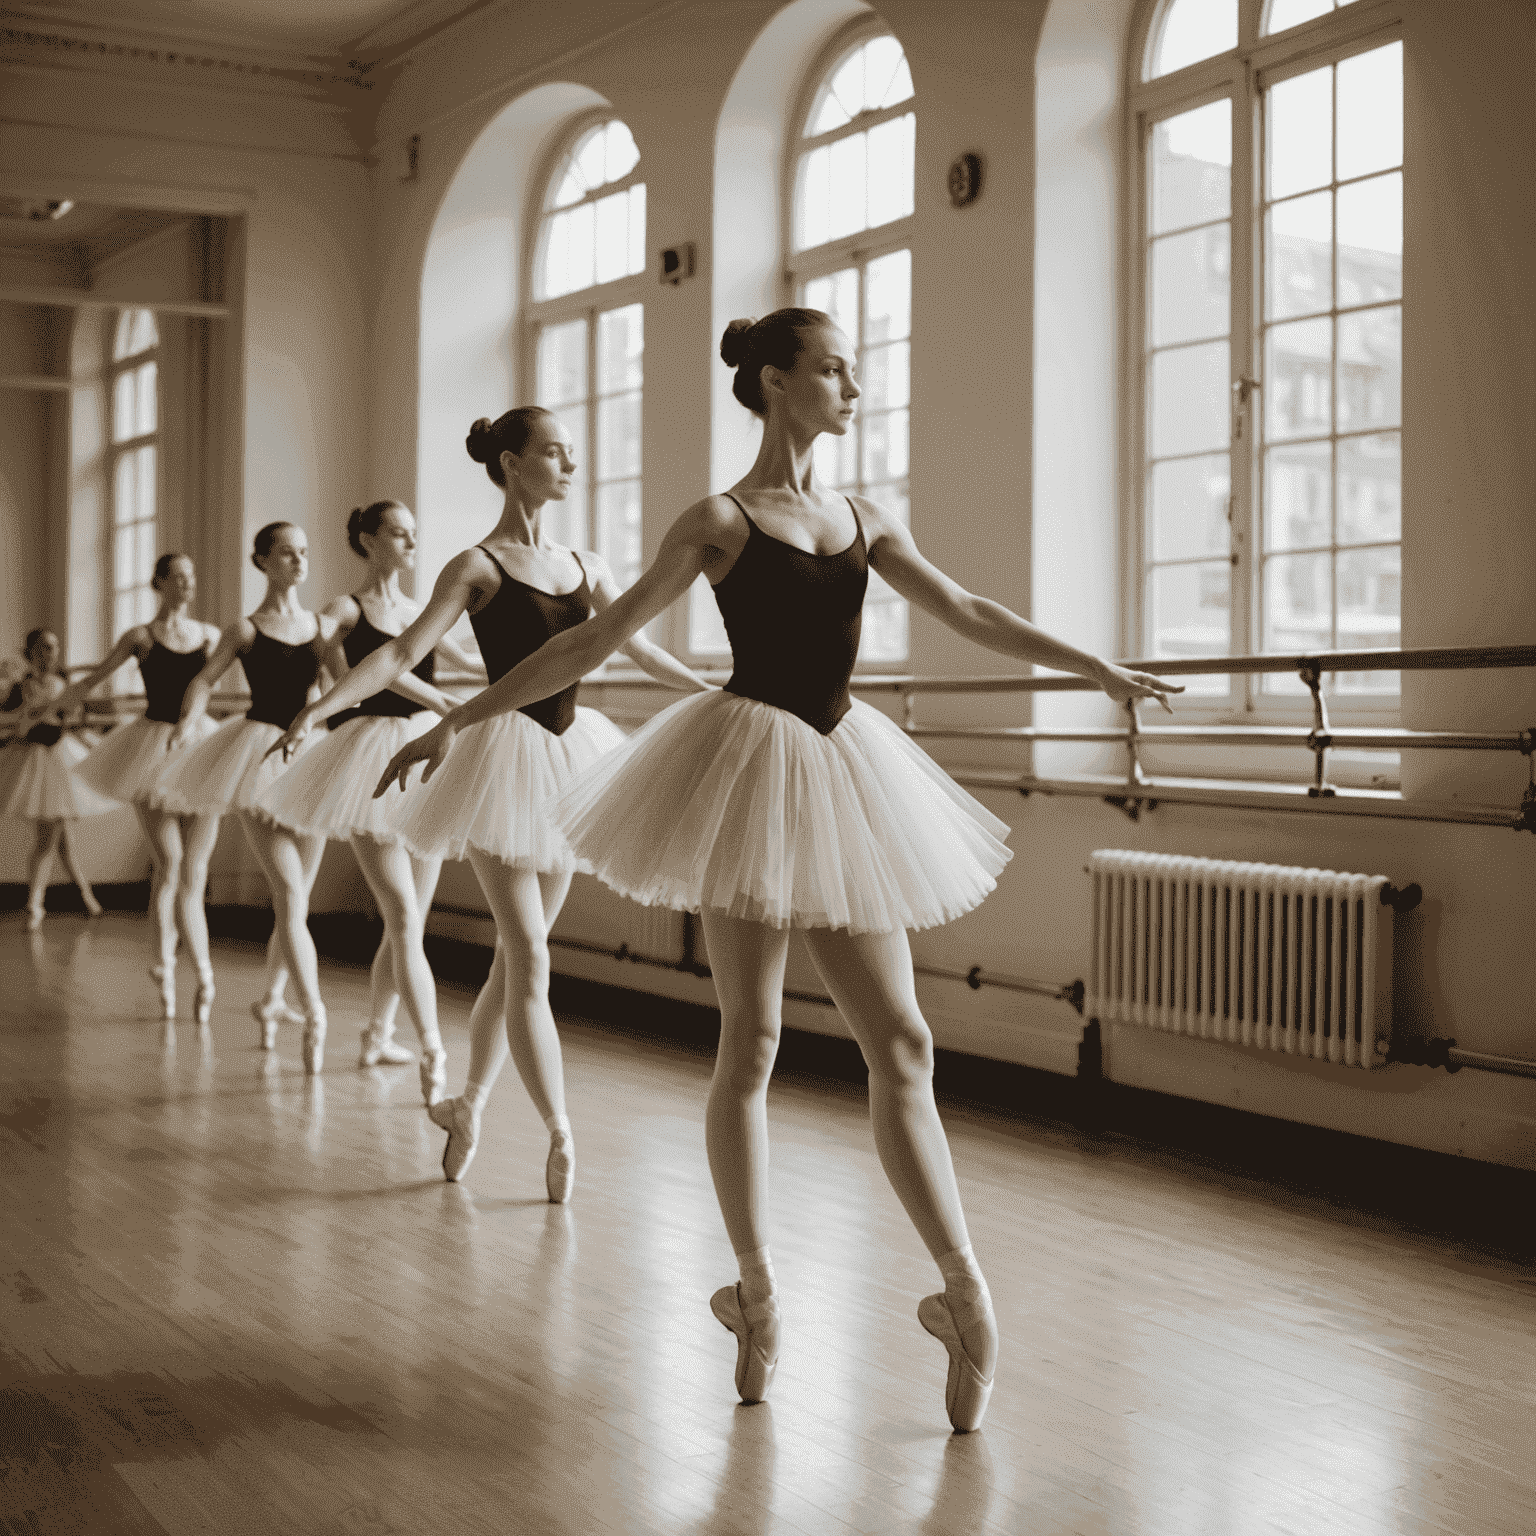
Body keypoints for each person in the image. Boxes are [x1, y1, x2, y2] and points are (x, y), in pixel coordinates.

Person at [375, 310, 1183, 1431]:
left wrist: (1092, 664)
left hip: (846, 770)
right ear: (776, 382)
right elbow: (583, 647)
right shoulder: (717, 519)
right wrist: (457, 721)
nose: (854, 384)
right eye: (835, 369)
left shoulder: (863, 518)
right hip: (747, 771)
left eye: (852, 369)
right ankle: (756, 1290)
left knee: (902, 1039)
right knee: (749, 1039)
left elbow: (969, 611)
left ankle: (962, 1289)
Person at [269, 407, 709, 1200]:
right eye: (554, 453)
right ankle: (558, 1131)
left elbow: (637, 644)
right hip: (498, 761)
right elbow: (401, 653)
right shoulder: (475, 566)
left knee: (516, 961)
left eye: (573, 454)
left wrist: (715, 688)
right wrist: (316, 710)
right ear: (511, 464)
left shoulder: (587, 564)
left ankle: (466, 1105)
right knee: (532, 956)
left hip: (573, 762)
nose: (570, 466)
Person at [257, 500, 475, 1105]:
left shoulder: (423, 609)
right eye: (398, 534)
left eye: (413, 534)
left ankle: (378, 1033)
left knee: (409, 922)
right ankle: (433, 1047)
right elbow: (361, 667)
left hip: (425, 756)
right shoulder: (345, 610)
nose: (410, 544)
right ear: (368, 540)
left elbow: (468, 662)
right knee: (403, 916)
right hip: (365, 759)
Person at [152, 523, 335, 1070]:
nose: (298, 562)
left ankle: (272, 999)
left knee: (296, 900)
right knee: (289, 892)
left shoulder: (322, 626)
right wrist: (187, 725)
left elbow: (343, 684)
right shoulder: (246, 629)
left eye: (304, 552)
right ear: (262, 561)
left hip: (310, 754)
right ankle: (315, 1010)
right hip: (257, 756)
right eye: (286, 553)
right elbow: (204, 680)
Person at [56, 555, 222, 1020]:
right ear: (160, 583)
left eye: (192, 576)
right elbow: (94, 678)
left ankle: (204, 973)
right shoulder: (141, 637)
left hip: (197, 743)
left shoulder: (210, 635)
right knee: (168, 863)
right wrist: (51, 706)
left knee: (197, 871)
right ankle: (164, 966)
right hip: (150, 747)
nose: (188, 584)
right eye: (179, 577)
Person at [0, 628, 116, 930]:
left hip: (60, 760)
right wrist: (25, 713)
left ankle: (83, 899)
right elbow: (16, 725)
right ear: (30, 652)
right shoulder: (20, 688)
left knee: (59, 842)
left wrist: (92, 744)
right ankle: (36, 905)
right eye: (41, 648)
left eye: (52, 648)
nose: (48, 654)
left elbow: (74, 721)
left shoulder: (63, 684)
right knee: (49, 840)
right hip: (35, 761)